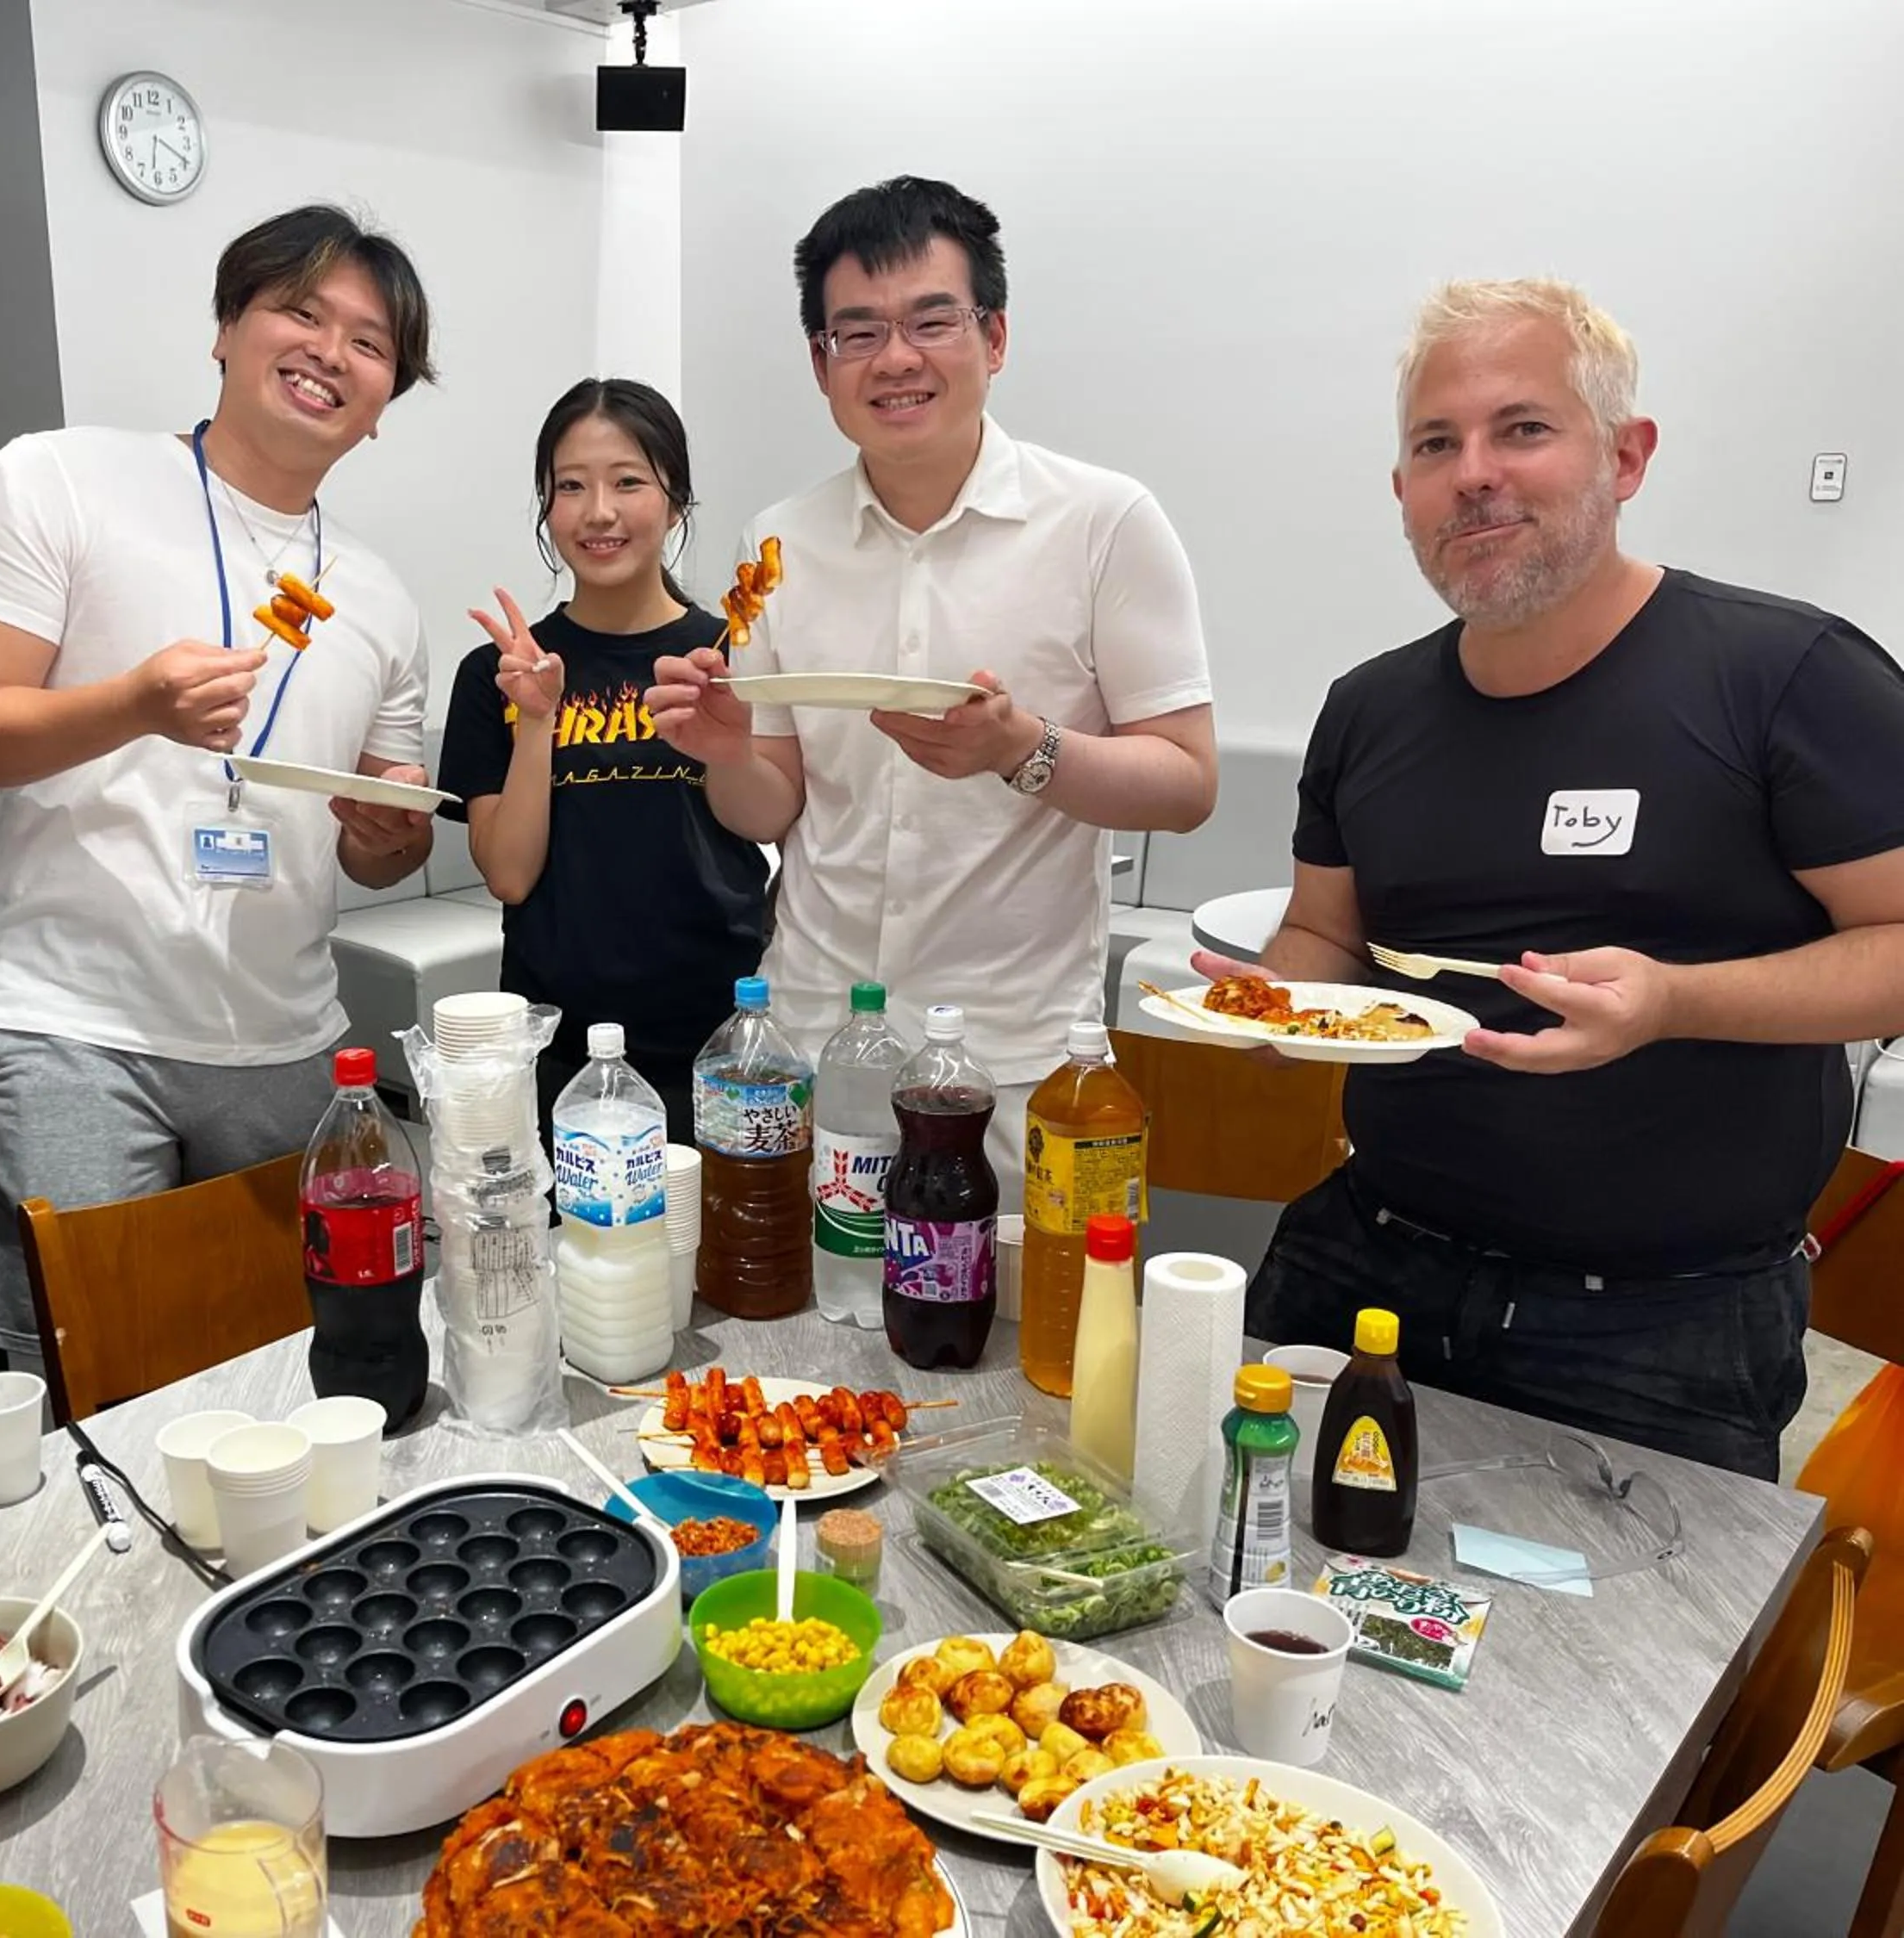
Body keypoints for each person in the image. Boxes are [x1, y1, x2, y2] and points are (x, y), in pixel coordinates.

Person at [1207, 278, 1904, 1480]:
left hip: (1660, 1323)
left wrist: (1680, 1001)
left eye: (1522, 428)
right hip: (1364, 1267)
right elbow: (1325, 935)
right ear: (1403, 493)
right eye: (1437, 444)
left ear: (1625, 457)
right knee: (1268, 1588)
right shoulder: (1368, 710)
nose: (1474, 472)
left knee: (1619, 1666)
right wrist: (1273, 1006)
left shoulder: (1786, 676)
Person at [0, 205, 437, 1362]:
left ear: (388, 395)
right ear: (226, 328)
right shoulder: (57, 481)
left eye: (368, 341)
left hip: (290, 1037)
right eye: (300, 311)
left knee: (285, 1353)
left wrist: (389, 837)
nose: (329, 352)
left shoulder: (381, 594)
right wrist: (135, 705)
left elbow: (368, 844)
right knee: (91, 1360)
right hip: (69, 1025)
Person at [647, 177, 1217, 1194]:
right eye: (857, 332)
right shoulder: (776, 544)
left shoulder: (1103, 523)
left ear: (994, 338)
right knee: (803, 1322)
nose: (897, 358)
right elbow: (770, 806)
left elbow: (1185, 782)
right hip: (817, 1031)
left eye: (931, 321)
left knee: (1003, 1338)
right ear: (821, 363)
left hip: (1012, 1049)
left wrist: (1022, 751)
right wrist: (729, 750)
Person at [438, 378, 768, 1134]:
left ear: (675, 501)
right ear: (546, 508)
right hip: (560, 1046)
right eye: (571, 487)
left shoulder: (731, 658)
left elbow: (775, 818)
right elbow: (510, 875)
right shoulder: (497, 672)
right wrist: (534, 719)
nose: (599, 512)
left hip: (721, 1033)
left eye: (629, 482)